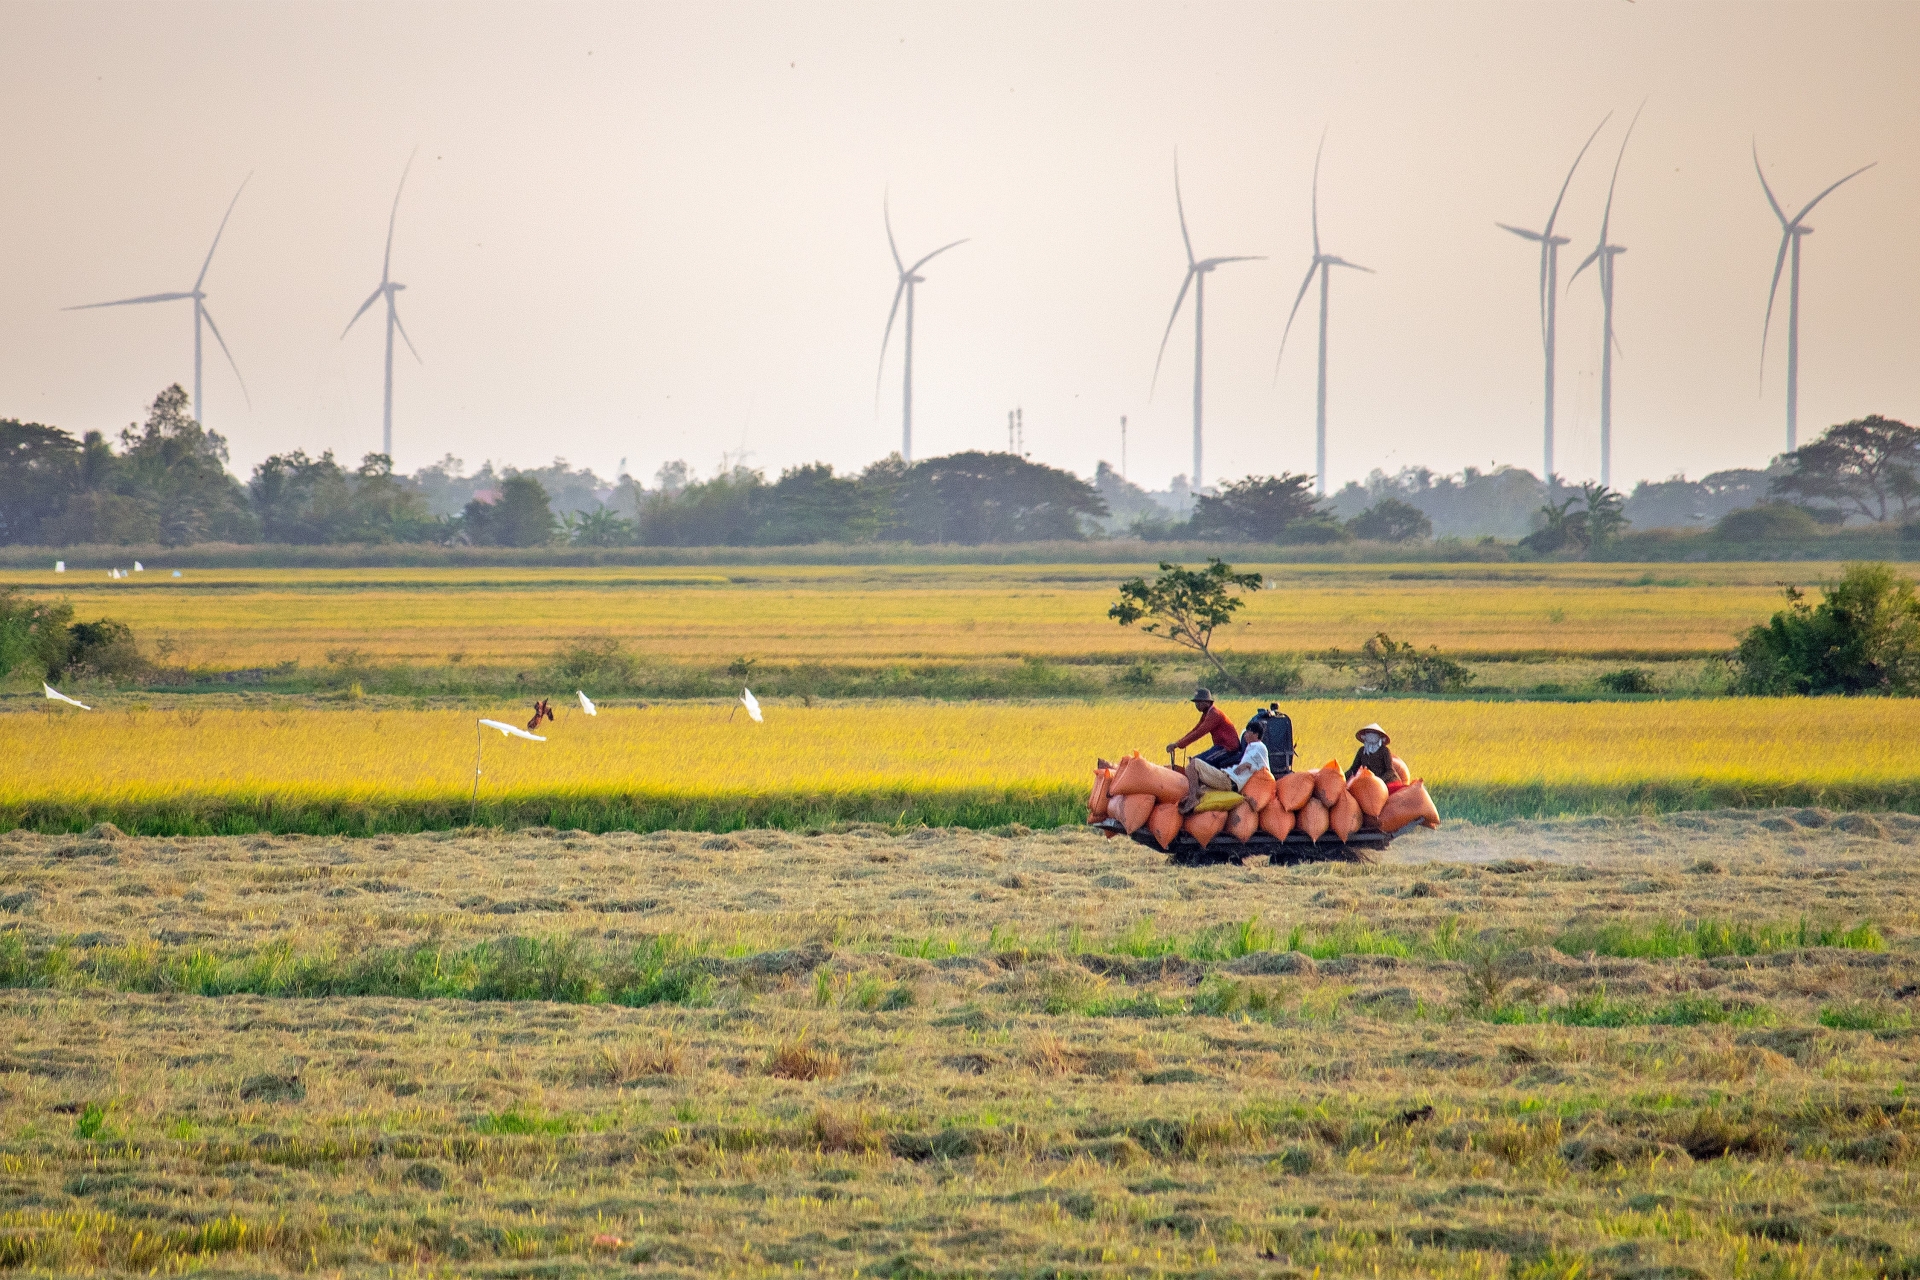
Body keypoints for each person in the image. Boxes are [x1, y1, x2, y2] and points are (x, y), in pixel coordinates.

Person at [1181, 719, 1269, 812]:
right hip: (1228, 777)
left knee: (1194, 763)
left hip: (1230, 780)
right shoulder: (1251, 747)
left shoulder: (1260, 747)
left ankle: (1192, 798)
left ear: (1255, 734)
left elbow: (1265, 770)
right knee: (1197, 782)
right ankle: (1194, 796)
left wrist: (1248, 765)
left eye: (1248, 732)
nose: (1245, 735)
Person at [1167, 687, 1241, 768]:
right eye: (1196, 703)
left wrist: (1178, 744)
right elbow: (1195, 730)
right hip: (1219, 747)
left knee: (1196, 763)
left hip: (1228, 748)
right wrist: (1178, 743)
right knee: (1194, 761)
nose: (1197, 705)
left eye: (1199, 702)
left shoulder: (1214, 714)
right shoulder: (1206, 714)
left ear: (1208, 702)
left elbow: (1199, 732)